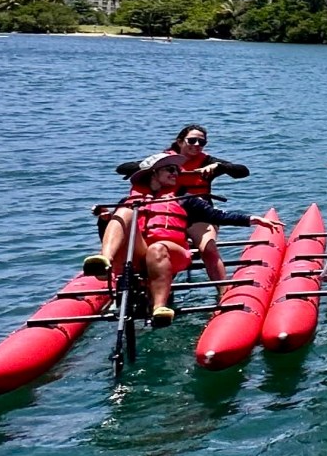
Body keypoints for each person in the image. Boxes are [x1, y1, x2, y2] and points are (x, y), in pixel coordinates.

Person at [114, 125, 255, 283]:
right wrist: (152, 166)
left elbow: (242, 171)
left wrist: (221, 167)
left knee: (208, 249)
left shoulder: (208, 162)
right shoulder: (163, 161)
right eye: (192, 140)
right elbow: (122, 169)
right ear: (180, 141)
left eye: (201, 142)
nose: (197, 145)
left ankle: (223, 292)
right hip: (166, 213)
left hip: (198, 215)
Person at [96, 153, 198, 324]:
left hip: (171, 253)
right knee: (124, 212)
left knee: (157, 248)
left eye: (177, 170)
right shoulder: (131, 201)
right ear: (153, 174)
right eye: (170, 169)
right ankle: (105, 262)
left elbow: (216, 216)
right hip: (139, 253)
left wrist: (249, 220)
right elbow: (108, 235)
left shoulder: (184, 199)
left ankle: (160, 307)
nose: (176, 173)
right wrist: (103, 220)